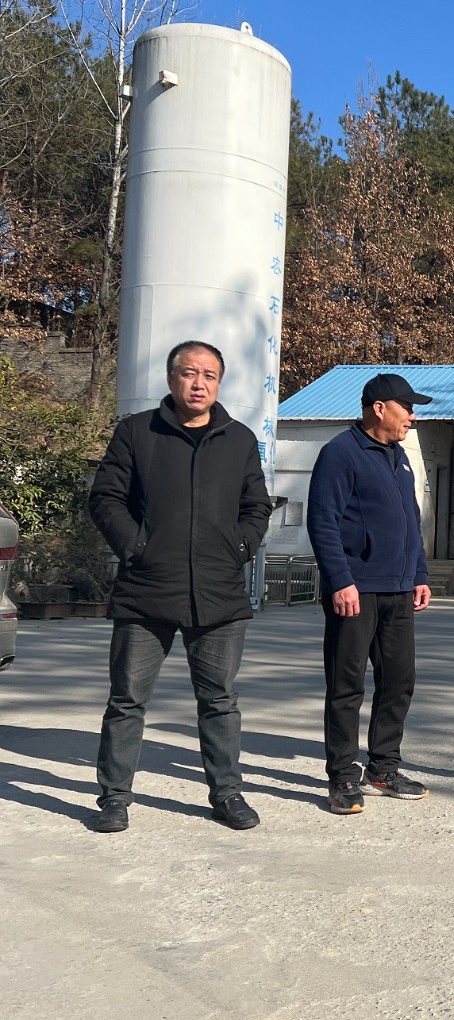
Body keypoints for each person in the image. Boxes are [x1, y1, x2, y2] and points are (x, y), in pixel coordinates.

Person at [89, 341, 273, 833]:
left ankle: (227, 793)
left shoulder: (238, 439)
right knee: (127, 699)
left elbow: (256, 505)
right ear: (171, 378)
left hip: (219, 592)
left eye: (209, 375)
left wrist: (240, 547)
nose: (199, 383)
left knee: (220, 701)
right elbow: (106, 498)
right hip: (146, 590)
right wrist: (136, 547)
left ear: (219, 383)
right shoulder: (137, 432)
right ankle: (114, 798)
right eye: (189, 373)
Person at [306, 373, 433, 815]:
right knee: (347, 686)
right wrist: (340, 580)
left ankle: (383, 768)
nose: (412, 417)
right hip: (356, 590)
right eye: (406, 407)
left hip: (399, 590)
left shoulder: (400, 458)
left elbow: (410, 521)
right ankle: (342, 775)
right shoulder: (340, 453)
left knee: (399, 681)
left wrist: (419, 573)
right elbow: (322, 521)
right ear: (379, 408)